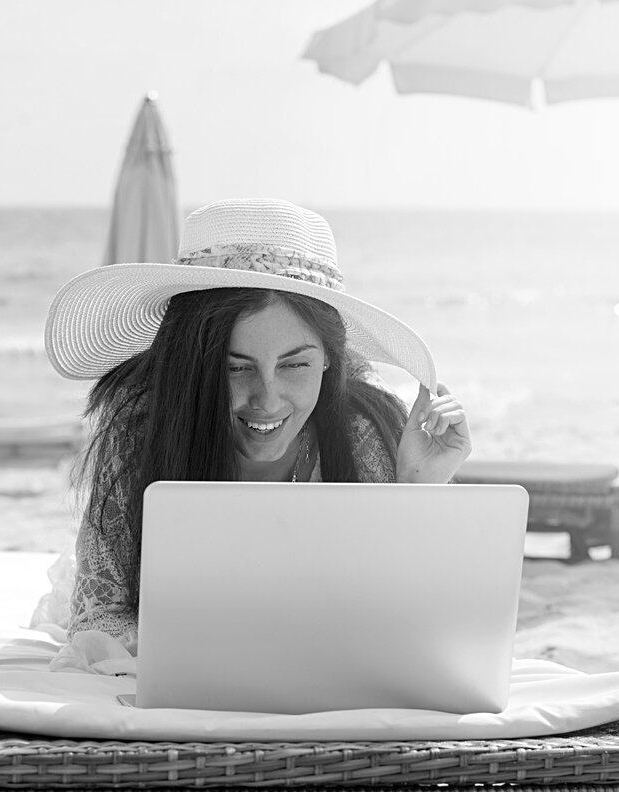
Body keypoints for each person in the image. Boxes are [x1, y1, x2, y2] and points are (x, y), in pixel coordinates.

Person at [43, 198, 471, 652]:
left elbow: (417, 622)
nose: (267, 400)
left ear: (329, 360)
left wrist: (417, 489)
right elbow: (100, 618)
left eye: (295, 365)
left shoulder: (365, 432)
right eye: (235, 368)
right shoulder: (141, 431)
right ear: (193, 364)